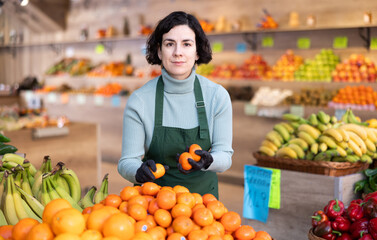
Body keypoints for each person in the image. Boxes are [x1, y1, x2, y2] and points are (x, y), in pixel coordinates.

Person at [117, 11, 233, 198]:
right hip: (154, 207)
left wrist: (208, 161)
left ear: (197, 52)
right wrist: (138, 171)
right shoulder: (140, 100)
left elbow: (225, 155)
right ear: (159, 51)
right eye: (169, 44)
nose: (178, 52)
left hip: (204, 209)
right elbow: (126, 161)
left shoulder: (217, 96)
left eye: (187, 44)